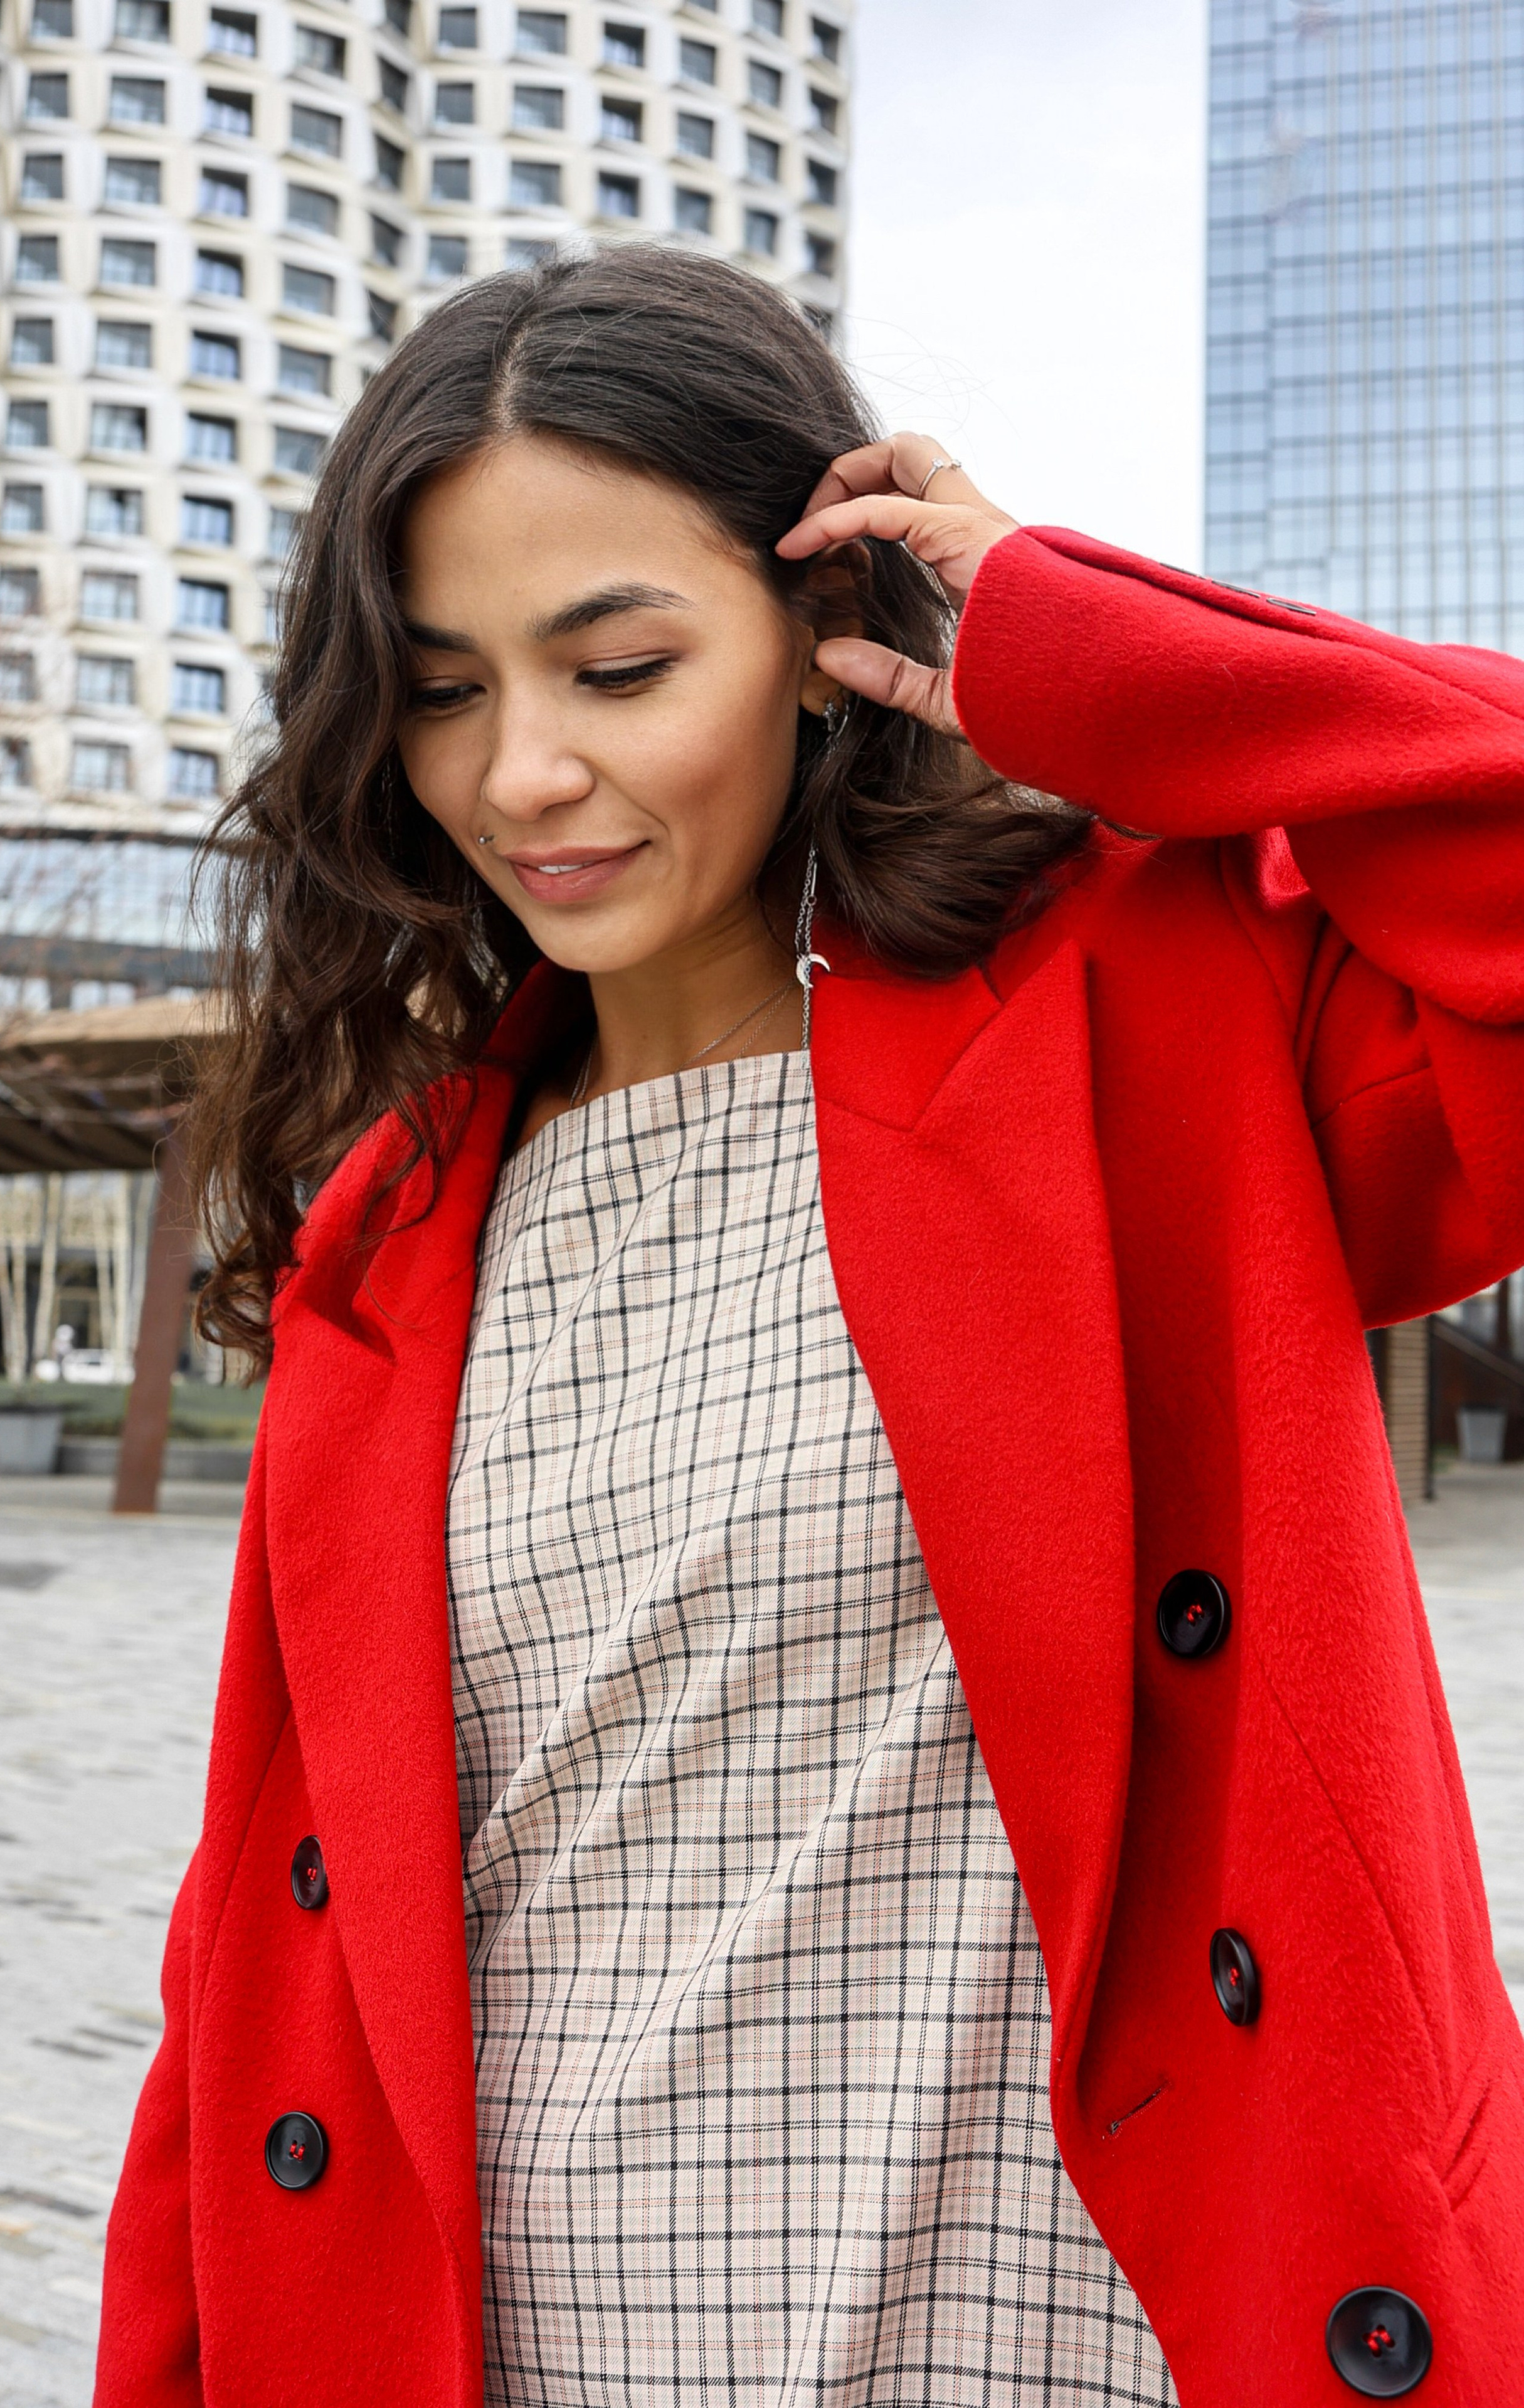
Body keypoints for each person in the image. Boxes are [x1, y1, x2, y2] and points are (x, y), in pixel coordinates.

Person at [94, 247, 1524, 2408]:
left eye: (622, 664)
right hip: (538, 2343)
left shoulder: (1153, 1018)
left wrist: (1068, 641)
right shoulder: (389, 1235)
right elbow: (257, 1960)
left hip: (1086, 2340)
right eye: (453, 688)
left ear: (819, 639)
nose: (529, 778)